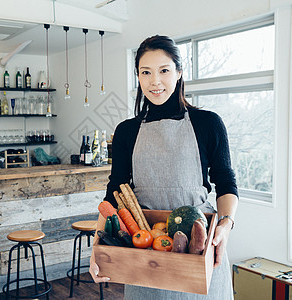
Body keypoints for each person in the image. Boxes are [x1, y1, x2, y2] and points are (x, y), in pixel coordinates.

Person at [89, 35, 238, 299]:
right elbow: (114, 192)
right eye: (145, 72)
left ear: (179, 73)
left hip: (199, 247)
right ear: (137, 76)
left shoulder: (208, 124)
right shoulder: (126, 131)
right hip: (146, 250)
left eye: (164, 70)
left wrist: (224, 226)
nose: (155, 81)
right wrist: (97, 251)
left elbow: (225, 182)